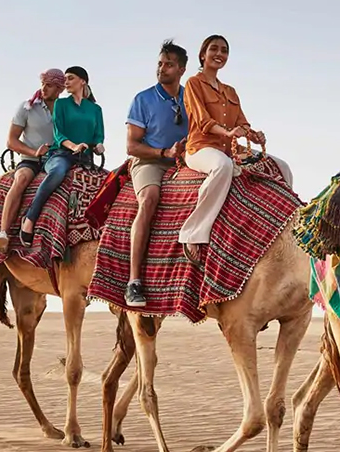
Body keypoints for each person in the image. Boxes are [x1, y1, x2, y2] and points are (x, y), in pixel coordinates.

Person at [178, 34, 293, 266]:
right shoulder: (193, 83)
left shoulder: (230, 91)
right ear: (203, 54)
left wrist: (252, 134)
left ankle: (285, 225)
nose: (219, 54)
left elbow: (242, 122)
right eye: (214, 49)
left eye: (224, 50)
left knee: (282, 166)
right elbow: (202, 121)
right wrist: (227, 133)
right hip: (201, 148)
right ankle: (193, 234)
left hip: (230, 147)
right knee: (222, 166)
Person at [121, 39, 190, 307]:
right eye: (160, 64)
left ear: (181, 70)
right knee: (149, 199)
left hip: (186, 161)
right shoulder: (143, 99)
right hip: (150, 160)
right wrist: (164, 154)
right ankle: (134, 281)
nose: (162, 69)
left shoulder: (190, 98)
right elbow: (132, 146)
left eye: (169, 65)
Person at [20, 65, 105, 245]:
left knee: (108, 180)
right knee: (58, 172)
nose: (66, 82)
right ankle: (29, 219)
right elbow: (59, 134)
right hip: (61, 154)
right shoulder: (62, 104)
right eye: (65, 78)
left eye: (71, 78)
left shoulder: (95, 109)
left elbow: (99, 136)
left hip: (86, 158)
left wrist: (98, 146)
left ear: (83, 81)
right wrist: (74, 146)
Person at [0, 68, 65, 252]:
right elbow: (11, 141)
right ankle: (3, 232)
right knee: (22, 179)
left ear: (60, 89)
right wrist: (34, 153)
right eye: (43, 84)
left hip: (57, 157)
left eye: (49, 86)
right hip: (31, 159)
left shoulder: (65, 109)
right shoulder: (27, 107)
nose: (44, 89)